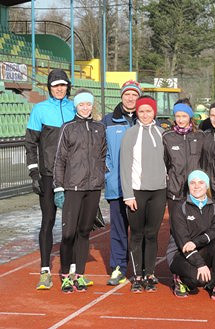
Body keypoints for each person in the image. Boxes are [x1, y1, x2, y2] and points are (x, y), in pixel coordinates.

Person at [25, 69, 75, 290]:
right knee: (48, 222)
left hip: (72, 176)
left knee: (71, 224)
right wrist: (34, 172)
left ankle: (71, 268)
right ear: (49, 87)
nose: (60, 89)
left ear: (68, 87)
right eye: (56, 86)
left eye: (63, 85)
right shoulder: (40, 109)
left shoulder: (76, 107)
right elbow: (30, 143)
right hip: (47, 176)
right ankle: (45, 270)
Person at [53, 89, 106, 293]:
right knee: (68, 233)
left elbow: (102, 156)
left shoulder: (99, 128)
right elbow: (59, 160)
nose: (85, 108)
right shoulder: (67, 128)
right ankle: (66, 275)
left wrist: (101, 179)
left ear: (92, 106)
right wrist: (59, 187)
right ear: (76, 106)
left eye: (88, 104)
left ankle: (80, 275)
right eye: (81, 104)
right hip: (72, 187)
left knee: (84, 232)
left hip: (93, 188)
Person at [120, 96, 167, 293]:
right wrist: (128, 194)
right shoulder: (131, 134)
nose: (145, 115)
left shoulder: (162, 133)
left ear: (154, 112)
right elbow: (124, 166)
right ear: (136, 113)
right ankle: (137, 275)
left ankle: (150, 273)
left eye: (149, 111)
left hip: (159, 191)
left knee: (152, 234)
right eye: (141, 111)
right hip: (137, 192)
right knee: (137, 234)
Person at [166, 170, 215, 303]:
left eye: (201, 182)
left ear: (207, 186)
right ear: (188, 186)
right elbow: (183, 242)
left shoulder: (213, 206)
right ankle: (179, 279)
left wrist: (197, 242)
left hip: (199, 249)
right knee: (199, 280)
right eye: (192, 183)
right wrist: (200, 264)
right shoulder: (180, 207)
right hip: (179, 254)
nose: (196, 186)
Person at [102, 80, 142, 286]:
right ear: (121, 96)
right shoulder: (108, 121)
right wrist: (107, 174)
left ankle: (139, 268)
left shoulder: (144, 119)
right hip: (116, 186)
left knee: (139, 230)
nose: (130, 98)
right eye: (127, 94)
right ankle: (118, 267)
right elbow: (101, 152)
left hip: (139, 187)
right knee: (118, 230)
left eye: (134, 95)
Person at [163, 102, 205, 220]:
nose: (180, 120)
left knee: (195, 224)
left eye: (184, 116)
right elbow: (165, 162)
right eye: (177, 116)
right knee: (176, 225)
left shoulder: (200, 136)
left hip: (195, 190)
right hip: (175, 189)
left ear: (190, 117)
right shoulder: (167, 136)